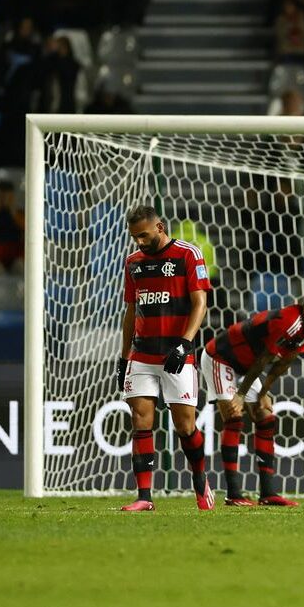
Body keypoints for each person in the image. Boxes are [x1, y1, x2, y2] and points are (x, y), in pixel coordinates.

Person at [202, 289, 304, 507]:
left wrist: (263, 393)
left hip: (246, 365)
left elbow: (284, 362)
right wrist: (241, 395)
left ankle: (267, 493)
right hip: (221, 357)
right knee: (234, 416)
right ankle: (233, 493)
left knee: (266, 416)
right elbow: (264, 359)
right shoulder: (288, 321)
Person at [119, 206, 213, 512]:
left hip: (176, 354)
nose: (139, 242)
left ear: (160, 227)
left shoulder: (188, 254)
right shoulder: (133, 262)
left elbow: (200, 302)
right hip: (142, 354)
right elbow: (131, 311)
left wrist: (185, 344)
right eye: (135, 237)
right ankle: (144, 497)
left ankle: (200, 483)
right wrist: (123, 358)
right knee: (140, 419)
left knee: (186, 427)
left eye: (144, 235)